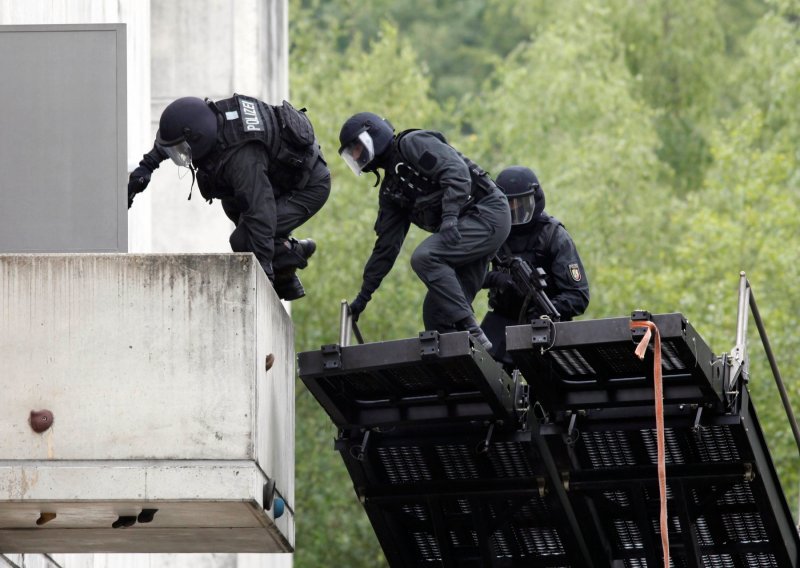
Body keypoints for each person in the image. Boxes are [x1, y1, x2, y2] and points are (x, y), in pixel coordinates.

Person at [127, 95, 330, 301]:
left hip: (309, 185)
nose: (178, 155)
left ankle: (292, 253)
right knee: (232, 203)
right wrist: (146, 167)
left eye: (180, 150)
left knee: (243, 239)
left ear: (197, 138)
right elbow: (172, 137)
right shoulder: (209, 122)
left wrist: (263, 279)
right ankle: (287, 273)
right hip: (274, 176)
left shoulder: (241, 159)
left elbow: (261, 213)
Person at [338, 112, 511, 349]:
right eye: (352, 153)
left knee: (425, 257)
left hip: (488, 213)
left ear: (372, 135)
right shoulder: (391, 191)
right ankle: (472, 372)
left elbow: (457, 172)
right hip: (464, 232)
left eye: (356, 148)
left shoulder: (412, 143)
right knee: (437, 315)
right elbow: (386, 248)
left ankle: (473, 330)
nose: (356, 156)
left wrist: (449, 216)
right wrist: (364, 296)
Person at [481, 166, 590, 366]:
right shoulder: (495, 232)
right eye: (509, 204)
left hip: (546, 324)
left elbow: (578, 296)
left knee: (554, 382)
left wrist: (542, 311)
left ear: (535, 198)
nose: (515, 210)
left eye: (521, 204)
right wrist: (495, 279)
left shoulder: (553, 236)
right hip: (503, 322)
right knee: (481, 372)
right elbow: (461, 275)